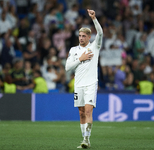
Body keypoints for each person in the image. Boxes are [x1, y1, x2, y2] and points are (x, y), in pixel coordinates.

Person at [65, 9, 103, 149]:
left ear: (88, 37)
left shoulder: (95, 46)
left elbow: (100, 33)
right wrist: (80, 59)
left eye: (83, 36)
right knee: (81, 113)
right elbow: (67, 67)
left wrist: (94, 18)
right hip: (78, 85)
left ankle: (86, 139)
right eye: (79, 36)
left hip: (91, 84)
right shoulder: (73, 50)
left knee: (88, 111)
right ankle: (84, 138)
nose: (81, 38)